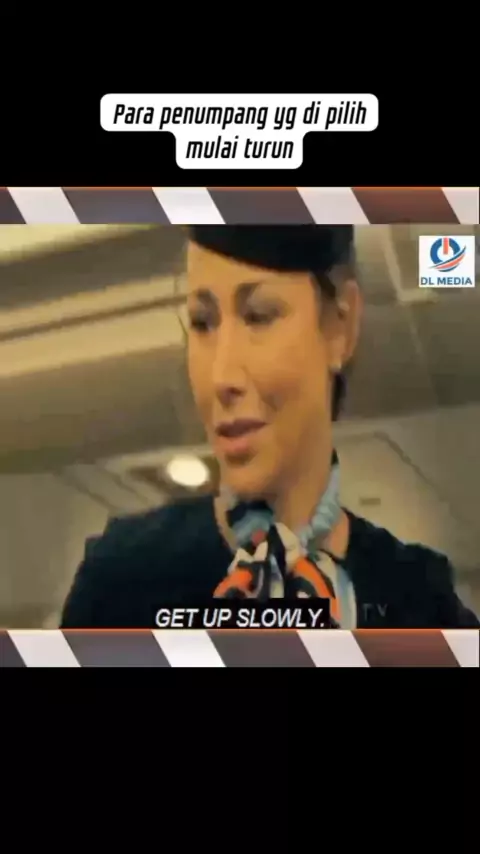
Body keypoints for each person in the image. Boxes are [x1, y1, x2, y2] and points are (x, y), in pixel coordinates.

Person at [61, 225, 479, 629]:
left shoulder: (424, 605)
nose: (221, 376)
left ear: (340, 327)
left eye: (258, 316)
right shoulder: (120, 582)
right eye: (202, 322)